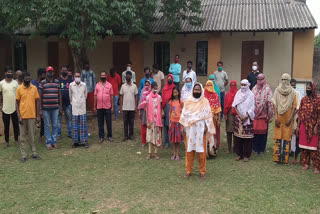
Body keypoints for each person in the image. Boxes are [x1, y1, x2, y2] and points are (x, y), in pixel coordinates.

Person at [180, 83, 216, 180]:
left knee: (202, 152)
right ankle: (188, 170)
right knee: (189, 151)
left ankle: (202, 171)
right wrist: (183, 126)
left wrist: (207, 127)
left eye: (198, 90)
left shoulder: (205, 102)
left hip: (201, 130)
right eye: (195, 89)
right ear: (193, 90)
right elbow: (184, 115)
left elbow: (208, 116)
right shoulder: (188, 101)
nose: (197, 91)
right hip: (189, 130)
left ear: (201, 91)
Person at [16, 72, 41, 163]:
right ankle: (23, 155)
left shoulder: (34, 88)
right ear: (23, 79)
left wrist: (38, 115)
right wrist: (19, 116)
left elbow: (38, 101)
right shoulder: (19, 89)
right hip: (22, 117)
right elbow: (17, 103)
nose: (28, 80)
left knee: (32, 136)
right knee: (22, 137)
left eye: (29, 78)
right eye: (26, 79)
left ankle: (34, 153)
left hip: (32, 116)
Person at [272, 73, 297, 165]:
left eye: (285, 79)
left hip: (288, 118)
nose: (283, 81)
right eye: (282, 79)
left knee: (287, 138)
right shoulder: (277, 90)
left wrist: (290, 118)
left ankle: (285, 159)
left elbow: (294, 106)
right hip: (278, 116)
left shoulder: (292, 92)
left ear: (289, 81)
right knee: (278, 137)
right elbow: (274, 104)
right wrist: (276, 117)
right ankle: (277, 159)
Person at [297, 82, 320, 174]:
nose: (308, 90)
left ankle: (316, 166)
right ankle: (306, 163)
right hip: (304, 126)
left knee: (315, 147)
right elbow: (300, 114)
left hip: (314, 127)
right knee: (304, 147)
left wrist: (316, 126)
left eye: (309, 88)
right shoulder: (303, 99)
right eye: (306, 88)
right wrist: (298, 126)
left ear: (313, 89)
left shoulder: (318, 100)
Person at [39, 66, 62, 150]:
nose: (50, 73)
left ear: (53, 72)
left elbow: (59, 95)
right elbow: (40, 96)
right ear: (46, 73)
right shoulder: (42, 83)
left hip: (55, 108)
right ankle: (48, 142)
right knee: (47, 125)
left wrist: (60, 107)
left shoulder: (57, 82)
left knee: (55, 125)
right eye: (48, 72)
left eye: (51, 71)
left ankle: (54, 141)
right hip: (45, 109)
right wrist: (40, 109)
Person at [232, 79, 255, 162]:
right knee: (238, 137)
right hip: (239, 117)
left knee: (247, 139)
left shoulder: (251, 94)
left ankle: (246, 155)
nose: (243, 87)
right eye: (241, 85)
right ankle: (239, 154)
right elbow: (234, 106)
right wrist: (240, 116)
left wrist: (246, 116)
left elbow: (252, 107)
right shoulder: (238, 93)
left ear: (248, 85)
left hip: (247, 117)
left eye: (244, 85)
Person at [252, 74, 274, 155]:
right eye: (258, 79)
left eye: (261, 79)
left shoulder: (267, 89)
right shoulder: (254, 88)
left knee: (263, 134)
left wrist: (270, 115)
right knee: (255, 133)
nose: (259, 81)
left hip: (264, 116)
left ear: (264, 79)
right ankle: (254, 149)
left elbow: (270, 103)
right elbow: (251, 101)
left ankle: (261, 150)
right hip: (255, 115)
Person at [0, 66, 19, 148]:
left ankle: (16, 140)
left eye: (11, 72)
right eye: (8, 72)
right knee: (6, 126)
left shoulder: (15, 83)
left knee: (16, 125)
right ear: (5, 73)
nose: (10, 74)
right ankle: (7, 142)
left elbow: (19, 95)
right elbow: (0, 95)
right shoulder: (1, 83)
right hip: (5, 108)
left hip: (15, 108)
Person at [69, 71, 89, 148]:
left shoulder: (84, 85)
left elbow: (85, 95)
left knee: (83, 126)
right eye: (76, 76)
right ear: (74, 77)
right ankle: (75, 142)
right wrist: (73, 103)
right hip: (74, 108)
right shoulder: (71, 85)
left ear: (80, 77)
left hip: (82, 108)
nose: (77, 77)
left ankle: (84, 141)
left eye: (78, 76)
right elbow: (70, 96)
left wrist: (81, 102)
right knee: (75, 126)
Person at [94, 71, 114, 143]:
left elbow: (111, 96)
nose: (103, 76)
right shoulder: (97, 85)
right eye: (102, 75)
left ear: (106, 76)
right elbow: (95, 96)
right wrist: (94, 106)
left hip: (108, 107)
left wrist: (112, 107)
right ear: (100, 76)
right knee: (100, 123)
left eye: (104, 75)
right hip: (99, 107)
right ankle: (101, 137)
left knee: (108, 122)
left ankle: (109, 136)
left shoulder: (109, 85)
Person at [146, 82, 163, 160]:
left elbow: (160, 108)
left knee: (156, 136)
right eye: (154, 88)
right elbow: (147, 110)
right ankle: (149, 153)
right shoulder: (148, 97)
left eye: (157, 88)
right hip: (150, 119)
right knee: (149, 136)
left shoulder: (159, 97)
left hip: (157, 120)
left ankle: (155, 153)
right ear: (152, 88)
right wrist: (148, 121)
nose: (155, 89)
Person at [120, 71, 138, 141]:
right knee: (125, 122)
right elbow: (121, 96)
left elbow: (136, 96)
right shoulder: (123, 86)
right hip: (125, 107)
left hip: (132, 107)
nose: (128, 76)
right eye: (127, 75)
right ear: (125, 77)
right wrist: (121, 106)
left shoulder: (134, 86)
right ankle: (125, 136)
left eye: (129, 75)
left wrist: (136, 106)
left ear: (131, 77)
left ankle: (131, 135)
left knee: (131, 122)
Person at [204, 80, 221, 155]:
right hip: (204, 119)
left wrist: (219, 119)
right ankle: (205, 152)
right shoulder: (203, 95)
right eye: (208, 85)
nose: (209, 87)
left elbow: (218, 108)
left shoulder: (215, 95)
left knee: (211, 134)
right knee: (205, 134)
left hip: (214, 118)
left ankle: (212, 151)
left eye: (211, 85)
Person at [57, 66, 73, 140]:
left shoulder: (70, 80)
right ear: (61, 71)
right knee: (58, 120)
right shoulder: (58, 80)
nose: (64, 71)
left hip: (68, 103)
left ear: (67, 71)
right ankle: (59, 134)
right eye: (63, 70)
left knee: (69, 119)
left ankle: (70, 133)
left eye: (65, 70)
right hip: (59, 103)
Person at [31, 68, 46, 143]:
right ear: (40, 75)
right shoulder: (33, 83)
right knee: (33, 121)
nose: (45, 76)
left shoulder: (45, 83)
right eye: (44, 74)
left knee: (43, 122)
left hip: (43, 105)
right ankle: (32, 136)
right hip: (33, 105)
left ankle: (41, 136)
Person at [169, 87, 184, 160]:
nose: (175, 94)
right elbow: (170, 112)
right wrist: (169, 122)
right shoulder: (171, 102)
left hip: (179, 122)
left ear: (178, 93)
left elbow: (183, 113)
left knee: (178, 140)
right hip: (172, 122)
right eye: (174, 92)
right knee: (173, 140)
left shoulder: (181, 102)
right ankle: (174, 153)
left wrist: (182, 125)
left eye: (176, 92)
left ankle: (177, 154)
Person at [162, 74, 176, 148]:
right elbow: (163, 99)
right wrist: (162, 110)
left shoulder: (174, 88)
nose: (169, 80)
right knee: (166, 125)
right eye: (168, 79)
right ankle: (166, 141)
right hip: (165, 107)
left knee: (173, 124)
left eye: (171, 78)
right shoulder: (164, 88)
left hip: (173, 107)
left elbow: (176, 97)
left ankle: (174, 140)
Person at [224, 80, 238, 154]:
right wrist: (225, 115)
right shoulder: (227, 94)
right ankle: (228, 148)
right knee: (229, 132)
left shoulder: (238, 94)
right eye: (231, 85)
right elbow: (226, 105)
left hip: (236, 114)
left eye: (234, 85)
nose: (233, 87)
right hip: (229, 114)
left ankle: (235, 147)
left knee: (236, 133)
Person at [290, 79, 301, 164]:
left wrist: (293, 115)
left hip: (295, 115)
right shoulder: (287, 93)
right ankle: (287, 148)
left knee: (293, 133)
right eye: (292, 85)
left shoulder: (297, 93)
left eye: (294, 86)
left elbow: (298, 106)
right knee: (287, 132)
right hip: (287, 115)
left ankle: (292, 150)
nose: (293, 87)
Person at [138, 80, 151, 147]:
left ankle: (149, 140)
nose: (147, 86)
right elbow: (140, 101)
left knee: (149, 126)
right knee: (143, 125)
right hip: (143, 110)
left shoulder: (151, 92)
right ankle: (143, 141)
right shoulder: (142, 91)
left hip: (149, 111)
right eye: (145, 85)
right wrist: (139, 111)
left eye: (148, 85)